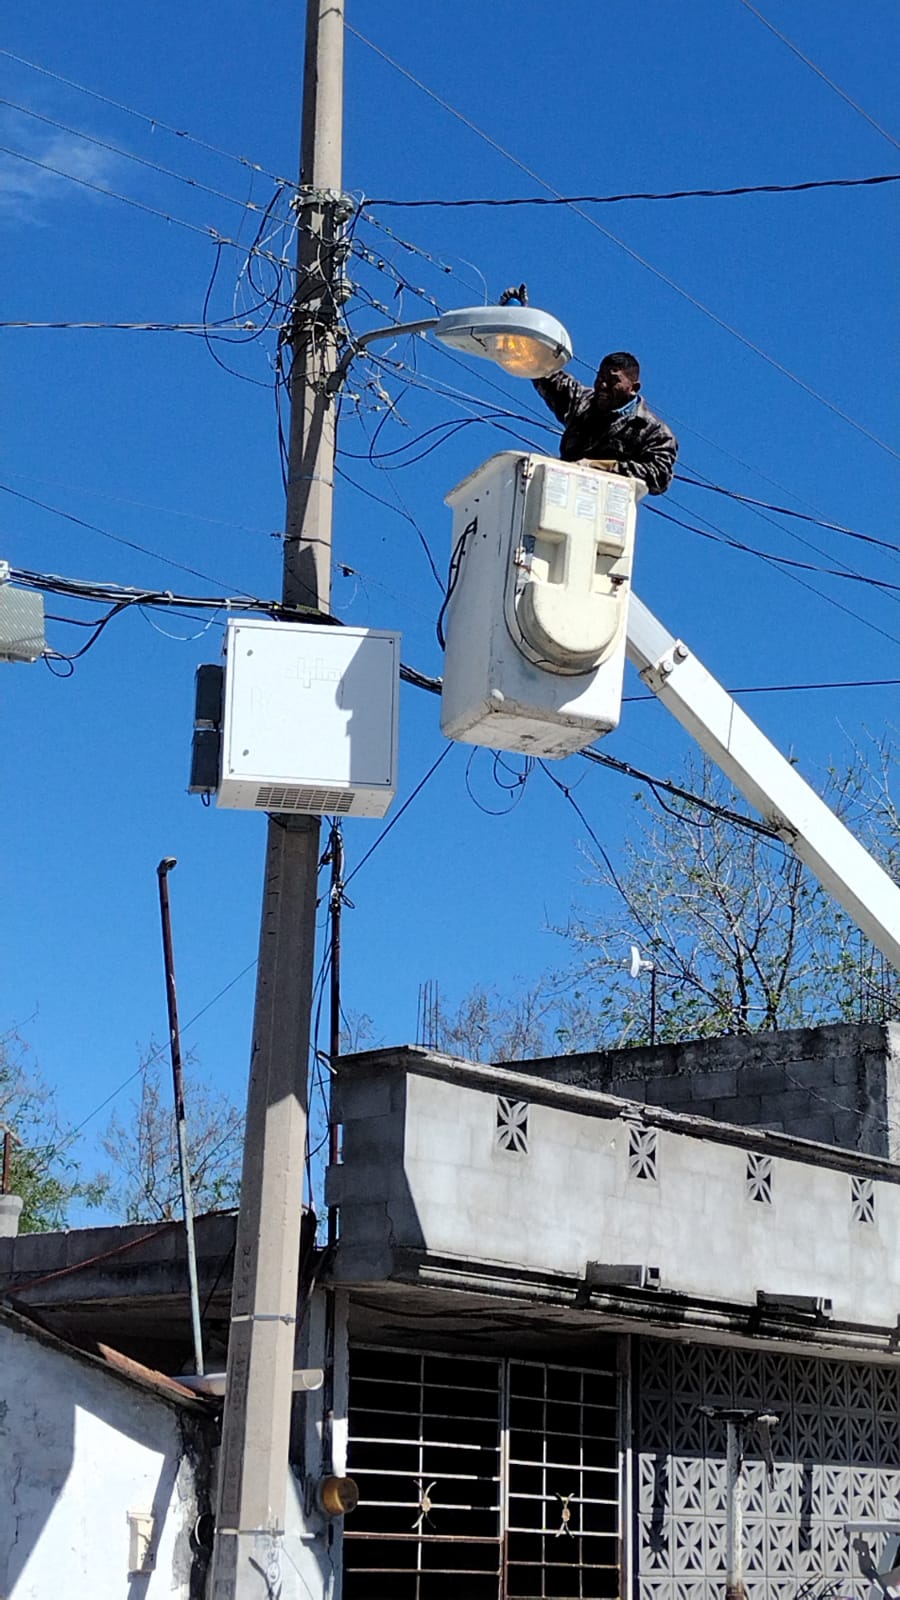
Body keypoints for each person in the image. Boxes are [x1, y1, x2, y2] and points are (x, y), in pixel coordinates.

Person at [533, 351, 677, 495]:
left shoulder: (654, 432)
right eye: (600, 377)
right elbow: (549, 378)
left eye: (613, 380)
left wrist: (598, 466)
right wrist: (530, 350)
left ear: (634, 389)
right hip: (561, 497)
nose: (603, 385)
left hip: (609, 509)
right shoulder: (581, 403)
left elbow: (659, 476)